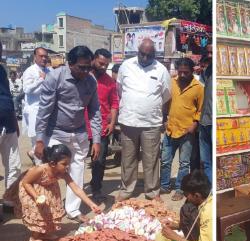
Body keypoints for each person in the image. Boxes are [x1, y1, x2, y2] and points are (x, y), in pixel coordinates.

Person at [34, 46, 102, 223]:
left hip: (79, 134)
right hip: (56, 132)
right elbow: (44, 110)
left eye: (89, 67)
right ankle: (46, 210)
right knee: (49, 173)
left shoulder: (91, 81)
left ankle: (72, 209)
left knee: (77, 172)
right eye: (82, 67)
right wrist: (40, 140)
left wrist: (96, 140)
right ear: (70, 64)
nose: (86, 71)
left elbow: (94, 111)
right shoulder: (55, 77)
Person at [4, 144, 101, 241]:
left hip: (48, 189)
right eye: (64, 164)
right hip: (31, 189)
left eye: (69, 163)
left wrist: (91, 204)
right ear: (52, 164)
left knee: (50, 211)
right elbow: (26, 182)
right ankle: (34, 237)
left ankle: (44, 233)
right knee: (38, 214)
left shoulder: (63, 172)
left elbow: (76, 188)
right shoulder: (39, 170)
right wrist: (36, 196)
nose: (68, 166)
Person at [116, 39, 171, 202]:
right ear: (137, 51)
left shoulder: (161, 69)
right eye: (142, 54)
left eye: (149, 55)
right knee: (128, 158)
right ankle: (126, 190)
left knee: (151, 159)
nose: (145, 58)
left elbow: (166, 95)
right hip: (128, 122)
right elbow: (120, 89)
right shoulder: (126, 65)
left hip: (151, 124)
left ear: (155, 54)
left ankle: (153, 192)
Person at [161, 58, 204, 201]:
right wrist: (164, 119)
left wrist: (194, 124)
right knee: (166, 160)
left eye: (186, 72)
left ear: (192, 71)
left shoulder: (198, 87)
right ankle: (165, 185)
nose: (183, 75)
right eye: (180, 72)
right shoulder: (171, 83)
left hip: (187, 132)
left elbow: (201, 109)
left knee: (184, 163)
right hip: (171, 129)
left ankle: (180, 188)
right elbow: (165, 102)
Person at [85, 49, 119, 203]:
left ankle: (96, 189)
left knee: (99, 162)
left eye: (106, 65)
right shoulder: (83, 76)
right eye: (101, 63)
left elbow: (114, 103)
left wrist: (112, 123)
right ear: (93, 60)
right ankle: (77, 191)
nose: (104, 67)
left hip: (102, 128)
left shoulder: (109, 82)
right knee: (76, 162)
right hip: (81, 128)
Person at [161, 170, 212, 241]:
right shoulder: (205, 199)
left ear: (197, 195)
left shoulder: (208, 212)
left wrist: (175, 237)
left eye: (186, 195)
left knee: (187, 208)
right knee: (187, 208)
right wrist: (177, 226)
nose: (186, 198)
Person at [0, 39, 22, 218]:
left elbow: (8, 97)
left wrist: (15, 121)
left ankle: (9, 201)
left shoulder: (2, 70)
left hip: (8, 124)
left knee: (14, 166)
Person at [22, 47, 50, 165]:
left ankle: (34, 154)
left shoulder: (50, 71)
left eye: (45, 56)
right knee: (37, 140)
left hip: (47, 110)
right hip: (34, 111)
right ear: (35, 57)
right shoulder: (30, 71)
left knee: (46, 139)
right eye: (41, 56)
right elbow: (27, 89)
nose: (44, 58)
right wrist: (40, 80)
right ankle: (39, 167)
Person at [199, 44, 213, 185]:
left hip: (214, 122)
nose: (210, 56)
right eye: (208, 53)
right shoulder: (207, 71)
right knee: (206, 161)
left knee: (212, 160)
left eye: (212, 53)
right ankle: (210, 191)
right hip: (204, 121)